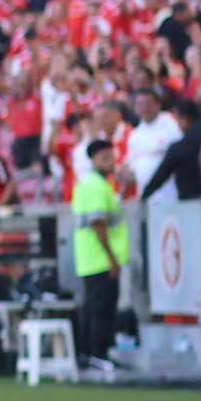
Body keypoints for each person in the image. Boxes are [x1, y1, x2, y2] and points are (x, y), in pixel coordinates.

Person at [72, 138, 129, 370]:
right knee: (102, 309)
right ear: (93, 160)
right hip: (100, 258)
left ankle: (88, 354)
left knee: (93, 307)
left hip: (90, 258)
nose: (110, 162)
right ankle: (99, 353)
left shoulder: (90, 184)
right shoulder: (96, 186)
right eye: (105, 158)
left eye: (111, 157)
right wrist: (111, 258)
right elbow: (99, 224)